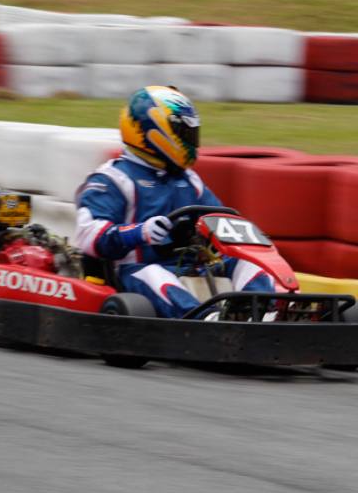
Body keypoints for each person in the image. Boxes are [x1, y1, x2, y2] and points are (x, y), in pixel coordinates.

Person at [74, 85, 275, 319]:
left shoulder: (188, 179)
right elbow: (88, 236)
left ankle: (261, 311)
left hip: (191, 267)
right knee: (153, 274)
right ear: (153, 130)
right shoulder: (113, 179)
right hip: (135, 272)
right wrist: (140, 232)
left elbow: (219, 219)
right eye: (184, 132)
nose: (190, 140)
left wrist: (244, 238)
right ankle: (205, 321)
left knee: (248, 262)